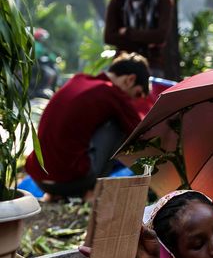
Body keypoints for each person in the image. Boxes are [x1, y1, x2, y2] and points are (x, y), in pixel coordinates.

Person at [25, 53, 150, 199]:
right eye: (137, 94)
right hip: (73, 181)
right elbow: (142, 135)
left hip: (39, 178)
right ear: (130, 80)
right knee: (120, 125)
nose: (132, 101)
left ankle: (56, 194)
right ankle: (91, 192)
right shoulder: (113, 93)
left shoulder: (78, 80)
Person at [104, 0, 174, 77]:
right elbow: (109, 37)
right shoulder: (118, 0)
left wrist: (127, 32)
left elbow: (160, 36)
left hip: (152, 64)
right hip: (122, 63)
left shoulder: (163, 1)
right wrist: (147, 41)